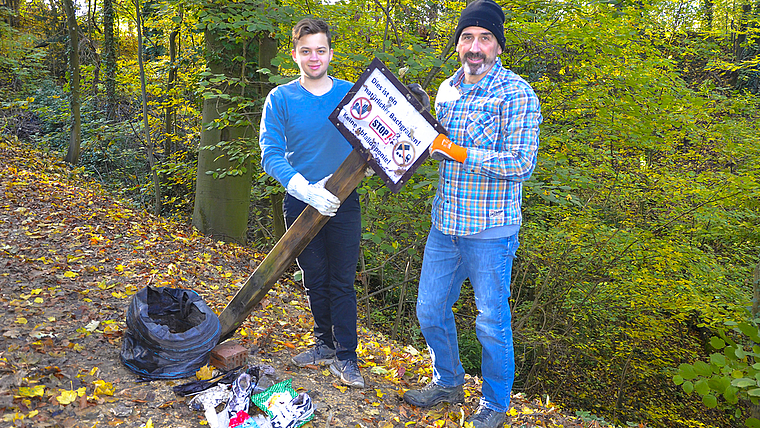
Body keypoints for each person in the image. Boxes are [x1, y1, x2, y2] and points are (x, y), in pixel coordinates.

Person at [402, 1, 542, 427]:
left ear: (498, 46)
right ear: (458, 43)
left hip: (491, 230)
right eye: (467, 37)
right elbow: (431, 145)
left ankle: (496, 405)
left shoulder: (517, 93)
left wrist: (460, 153)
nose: (474, 46)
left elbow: (522, 163)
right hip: (445, 225)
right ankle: (448, 382)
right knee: (429, 310)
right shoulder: (447, 88)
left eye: (485, 38)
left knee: (491, 322)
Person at [258, 18, 364, 388]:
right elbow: (270, 153)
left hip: (343, 202)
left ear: (330, 53)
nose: (314, 57)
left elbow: (386, 134)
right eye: (306, 51)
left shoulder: (354, 94)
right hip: (301, 202)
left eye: (320, 50)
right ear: (295, 55)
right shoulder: (281, 98)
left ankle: (347, 358)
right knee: (314, 278)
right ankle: (324, 345)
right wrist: (302, 187)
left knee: (342, 281)